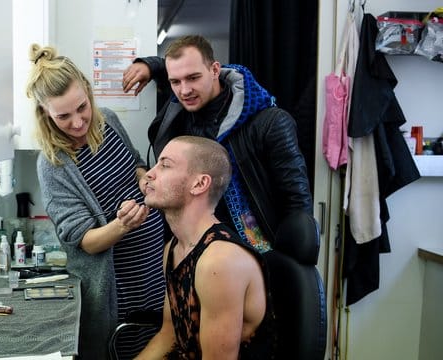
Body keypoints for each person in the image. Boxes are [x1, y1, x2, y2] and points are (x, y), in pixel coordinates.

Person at [25, 44, 165, 359]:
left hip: (154, 270)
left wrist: (143, 176)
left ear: (88, 92)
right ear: (45, 114)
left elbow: (134, 163)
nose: (77, 122)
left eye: (82, 107)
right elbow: (85, 242)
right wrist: (122, 224)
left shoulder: (109, 121)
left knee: (163, 341)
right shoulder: (53, 165)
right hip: (119, 288)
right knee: (129, 349)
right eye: (63, 116)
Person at [122, 35, 312, 253]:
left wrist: (292, 264)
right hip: (189, 245)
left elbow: (296, 200)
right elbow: (177, 69)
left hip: (254, 249)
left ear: (214, 70)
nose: (184, 90)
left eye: (193, 78)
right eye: (175, 82)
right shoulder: (177, 117)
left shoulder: (269, 122)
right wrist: (150, 65)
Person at [137, 136, 274, 359]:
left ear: (199, 184)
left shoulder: (219, 262)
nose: (149, 174)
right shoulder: (174, 247)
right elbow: (169, 336)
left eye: (165, 165)